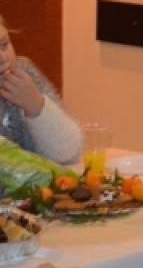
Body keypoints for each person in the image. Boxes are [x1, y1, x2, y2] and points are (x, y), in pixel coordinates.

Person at [0, 14, 83, 165]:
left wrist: (36, 105)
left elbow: (70, 153)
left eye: (4, 45)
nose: (3, 58)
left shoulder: (25, 73)